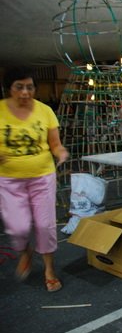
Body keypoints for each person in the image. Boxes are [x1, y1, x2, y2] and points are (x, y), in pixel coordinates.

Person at [0, 67, 69, 292]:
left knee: (44, 225)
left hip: (42, 176)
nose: (25, 92)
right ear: (9, 89)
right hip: (9, 180)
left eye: (29, 87)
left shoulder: (46, 111)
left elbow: (55, 144)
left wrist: (60, 153)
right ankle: (25, 251)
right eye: (19, 87)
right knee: (18, 228)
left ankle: (49, 269)